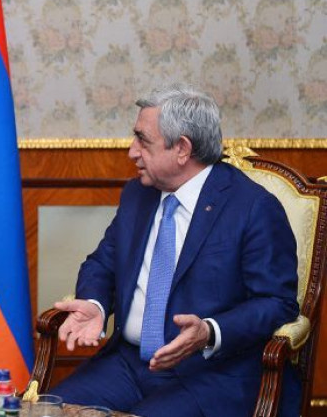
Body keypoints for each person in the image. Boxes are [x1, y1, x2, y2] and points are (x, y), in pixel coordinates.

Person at [49, 85, 300, 417]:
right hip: (128, 365)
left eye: (143, 141)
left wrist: (209, 331)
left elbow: (277, 302)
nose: (132, 152)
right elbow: (103, 264)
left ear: (182, 148)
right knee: (42, 411)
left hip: (209, 374)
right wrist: (95, 304)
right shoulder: (138, 195)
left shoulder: (253, 207)